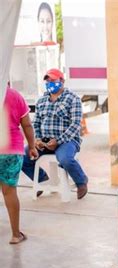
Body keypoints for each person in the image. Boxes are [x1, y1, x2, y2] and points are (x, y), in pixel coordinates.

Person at [22, 68, 88, 199]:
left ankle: (81, 181)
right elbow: (36, 123)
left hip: (67, 141)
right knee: (22, 157)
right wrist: (38, 140)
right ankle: (42, 179)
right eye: (47, 81)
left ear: (62, 81)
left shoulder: (73, 99)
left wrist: (58, 141)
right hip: (44, 142)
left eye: (53, 80)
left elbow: (75, 124)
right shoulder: (41, 101)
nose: (49, 83)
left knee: (65, 159)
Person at [0, 85, 38, 244]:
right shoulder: (14, 95)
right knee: (9, 192)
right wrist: (32, 146)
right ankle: (16, 234)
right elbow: (27, 124)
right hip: (11, 150)